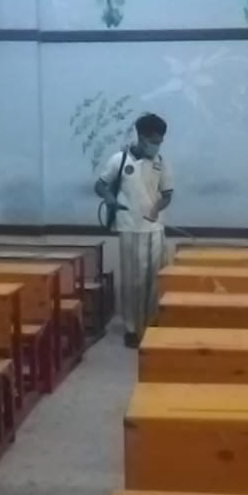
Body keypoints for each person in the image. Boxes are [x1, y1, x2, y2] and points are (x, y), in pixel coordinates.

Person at [95, 113, 174, 348]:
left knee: (154, 281)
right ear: (141, 137)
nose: (156, 145)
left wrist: (156, 208)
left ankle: (151, 325)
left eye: (160, 141)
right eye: (153, 140)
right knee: (131, 281)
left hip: (154, 230)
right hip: (129, 228)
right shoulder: (119, 160)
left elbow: (167, 195)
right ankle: (131, 329)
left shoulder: (161, 162)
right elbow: (100, 185)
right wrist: (109, 198)